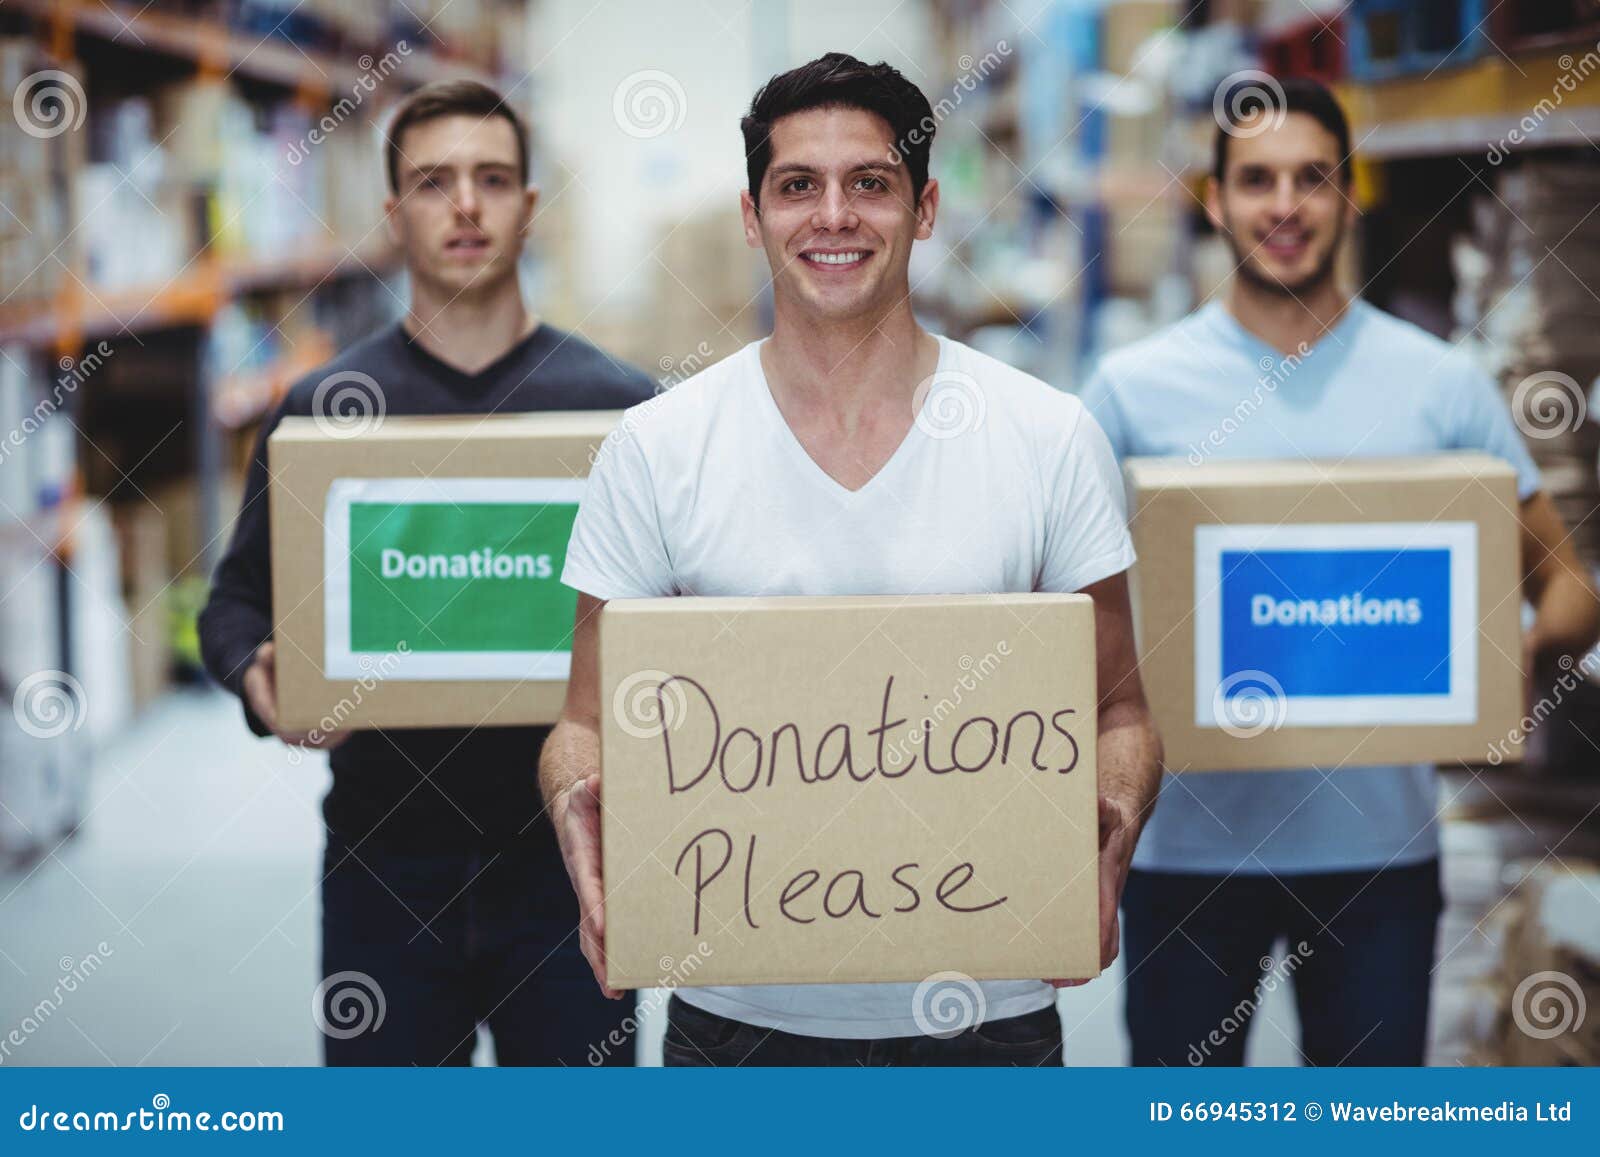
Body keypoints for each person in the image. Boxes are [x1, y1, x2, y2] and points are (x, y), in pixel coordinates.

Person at [540, 52, 1163, 1067]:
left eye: (868, 183)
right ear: (754, 215)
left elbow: (1122, 713)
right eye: (798, 186)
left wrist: (1108, 835)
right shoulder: (656, 448)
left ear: (922, 209)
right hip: (736, 1019)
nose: (833, 215)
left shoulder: (1046, 436)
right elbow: (582, 720)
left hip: (986, 1014)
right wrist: (580, 819)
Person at [1080, 76, 1600, 1067]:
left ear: (1349, 192)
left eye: (1312, 178)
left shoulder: (1438, 384)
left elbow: (1569, 584)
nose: (1284, 206)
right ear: (1213, 197)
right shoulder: (1131, 392)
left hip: (1377, 861)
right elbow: (1067, 606)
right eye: (1257, 180)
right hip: (1185, 854)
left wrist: (1498, 672)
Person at [198, 80, 654, 1066]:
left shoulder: (619, 408)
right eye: (433, 182)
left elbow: (680, 616)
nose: (464, 206)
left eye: (492, 179)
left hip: (577, 863)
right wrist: (260, 678)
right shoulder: (329, 408)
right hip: (385, 863)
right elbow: (232, 602)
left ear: (530, 206)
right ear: (393, 211)